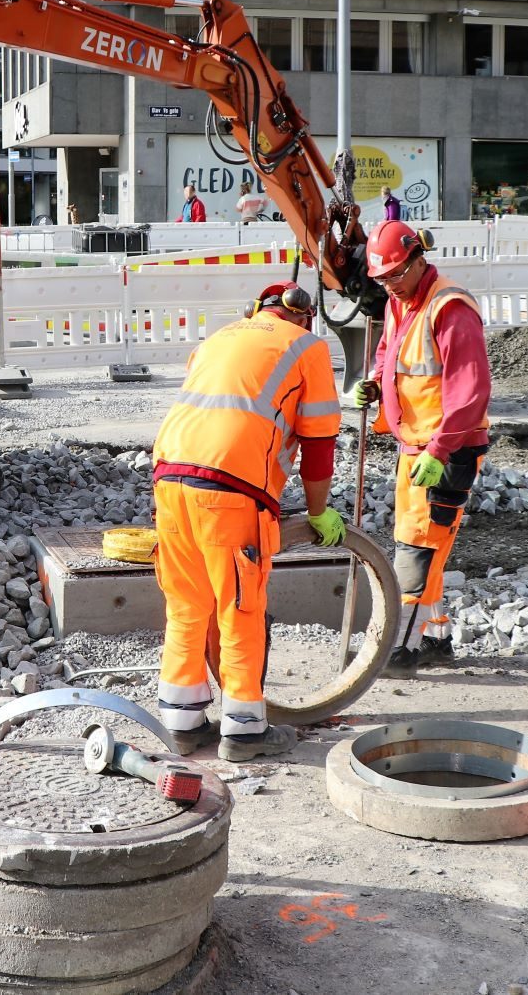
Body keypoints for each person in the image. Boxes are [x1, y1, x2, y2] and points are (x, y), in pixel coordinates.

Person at [151, 281, 345, 761]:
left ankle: (182, 723)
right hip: (232, 489)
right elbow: (319, 443)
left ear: (258, 310)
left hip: (169, 479)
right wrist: (319, 511)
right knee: (240, 606)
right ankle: (244, 731)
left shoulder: (219, 338)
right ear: (300, 317)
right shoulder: (306, 345)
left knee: (188, 604)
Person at [352, 220, 491, 673]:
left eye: (394, 274)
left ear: (418, 259)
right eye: (381, 278)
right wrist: (375, 385)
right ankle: (434, 637)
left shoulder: (449, 308)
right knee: (423, 544)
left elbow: (470, 393)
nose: (388, 284)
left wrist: (440, 451)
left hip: (445, 452)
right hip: (416, 447)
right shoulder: (400, 302)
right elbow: (390, 355)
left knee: (417, 548)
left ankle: (399, 647)